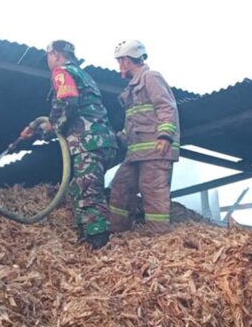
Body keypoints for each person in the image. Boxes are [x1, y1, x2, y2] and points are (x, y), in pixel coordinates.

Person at [20, 40, 117, 249]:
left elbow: (66, 101)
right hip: (104, 141)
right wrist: (38, 128)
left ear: (55, 54)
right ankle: (86, 236)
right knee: (76, 189)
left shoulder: (61, 72)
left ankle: (99, 244)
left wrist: (50, 128)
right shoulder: (85, 75)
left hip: (87, 142)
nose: (48, 61)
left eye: (48, 56)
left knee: (88, 193)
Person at [108, 40, 180, 235]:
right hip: (137, 153)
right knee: (120, 187)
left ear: (125, 61)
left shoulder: (151, 77)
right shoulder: (132, 88)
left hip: (156, 151)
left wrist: (165, 136)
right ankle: (117, 233)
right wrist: (118, 137)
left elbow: (166, 107)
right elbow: (135, 121)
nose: (119, 66)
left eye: (119, 61)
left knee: (153, 194)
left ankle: (158, 239)